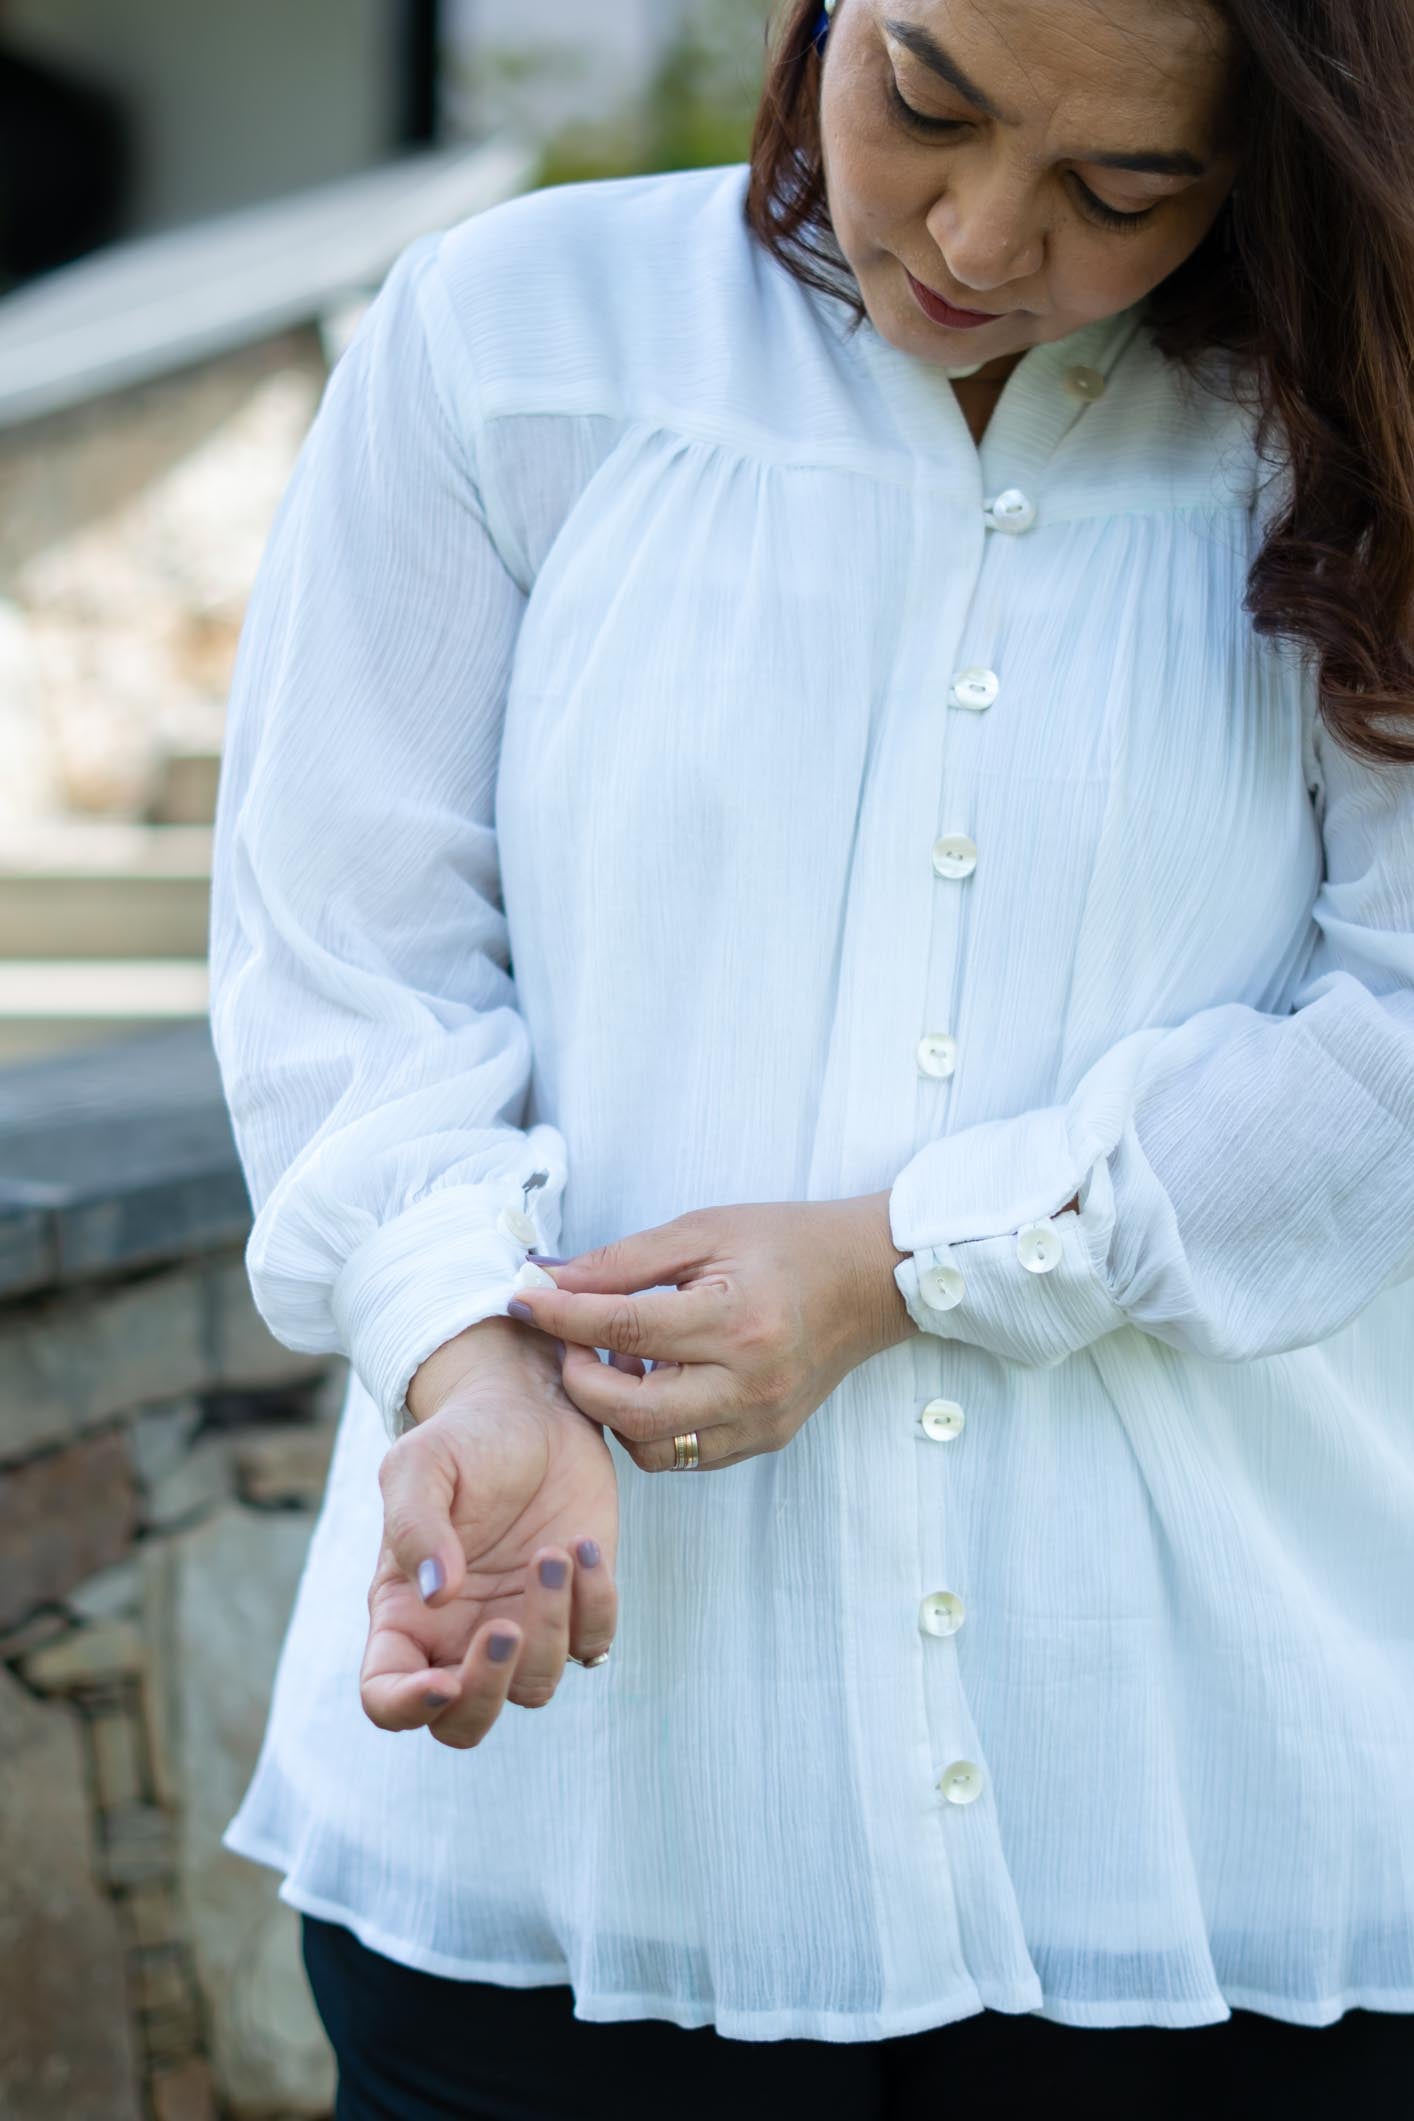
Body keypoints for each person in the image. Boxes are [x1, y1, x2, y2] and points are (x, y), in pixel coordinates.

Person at [208, 1, 1414, 2114]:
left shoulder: (1350, 417)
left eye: (1118, 190)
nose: (968, 231)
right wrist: (466, 1352)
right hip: (575, 1846)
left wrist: (894, 1264)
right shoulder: (513, 336)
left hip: (1210, 1848)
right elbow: (345, 952)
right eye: (918, 103)